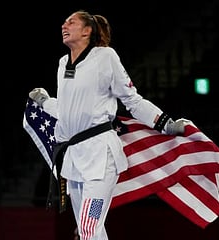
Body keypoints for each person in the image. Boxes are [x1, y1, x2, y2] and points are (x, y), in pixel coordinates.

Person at [28, 9, 188, 240]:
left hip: (100, 159)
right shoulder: (63, 63)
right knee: (93, 231)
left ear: (87, 31)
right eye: (64, 22)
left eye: (71, 22)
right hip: (74, 163)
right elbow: (65, 110)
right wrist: (44, 101)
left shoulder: (105, 57)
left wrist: (165, 124)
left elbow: (132, 99)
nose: (64, 26)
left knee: (88, 227)